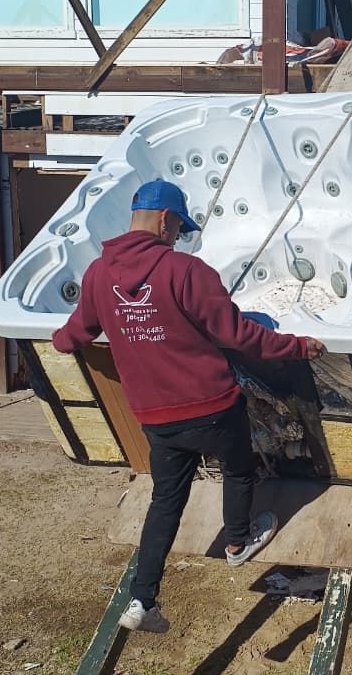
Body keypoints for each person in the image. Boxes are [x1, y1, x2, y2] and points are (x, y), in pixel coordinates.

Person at [52, 180, 325, 634]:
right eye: (179, 228)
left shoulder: (98, 274)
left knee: (166, 500)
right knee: (239, 469)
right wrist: (297, 346)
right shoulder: (187, 271)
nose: (178, 237)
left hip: (156, 417)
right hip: (212, 407)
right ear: (165, 220)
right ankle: (237, 543)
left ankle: (142, 599)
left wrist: (58, 342)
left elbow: (77, 332)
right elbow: (239, 335)